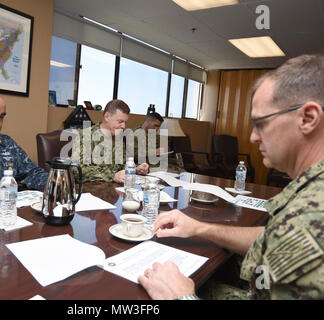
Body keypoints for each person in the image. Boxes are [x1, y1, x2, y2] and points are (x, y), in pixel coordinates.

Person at [138, 53, 324, 300]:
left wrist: (181, 298)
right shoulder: (312, 189)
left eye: (261, 123)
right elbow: (273, 237)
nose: (253, 137)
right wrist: (199, 228)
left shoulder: (315, 214)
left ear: (308, 118)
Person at [71, 99, 149, 183]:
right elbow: (76, 170)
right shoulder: (85, 136)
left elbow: (121, 166)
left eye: (125, 122)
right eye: (120, 121)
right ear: (107, 116)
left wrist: (135, 169)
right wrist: (112, 176)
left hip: (114, 190)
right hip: (91, 190)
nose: (123, 126)